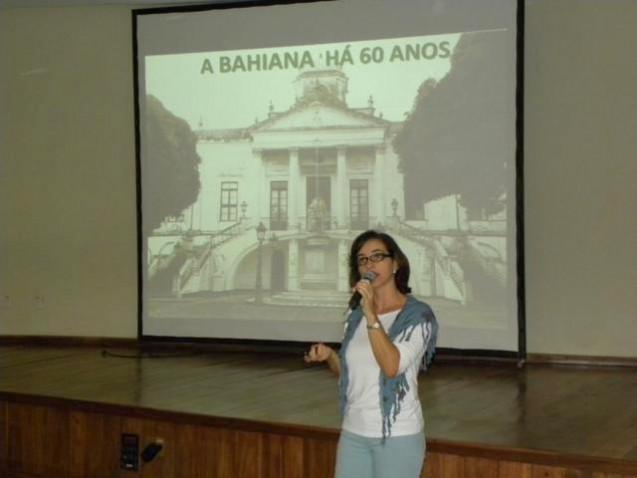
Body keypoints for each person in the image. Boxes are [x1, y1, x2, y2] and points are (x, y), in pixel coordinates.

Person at [304, 229, 438, 478]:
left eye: (377, 256)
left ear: (396, 263)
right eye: (363, 259)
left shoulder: (417, 316)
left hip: (396, 435)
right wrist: (331, 357)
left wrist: (371, 314)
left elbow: (391, 367)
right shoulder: (355, 316)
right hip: (354, 431)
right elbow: (352, 374)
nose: (369, 264)